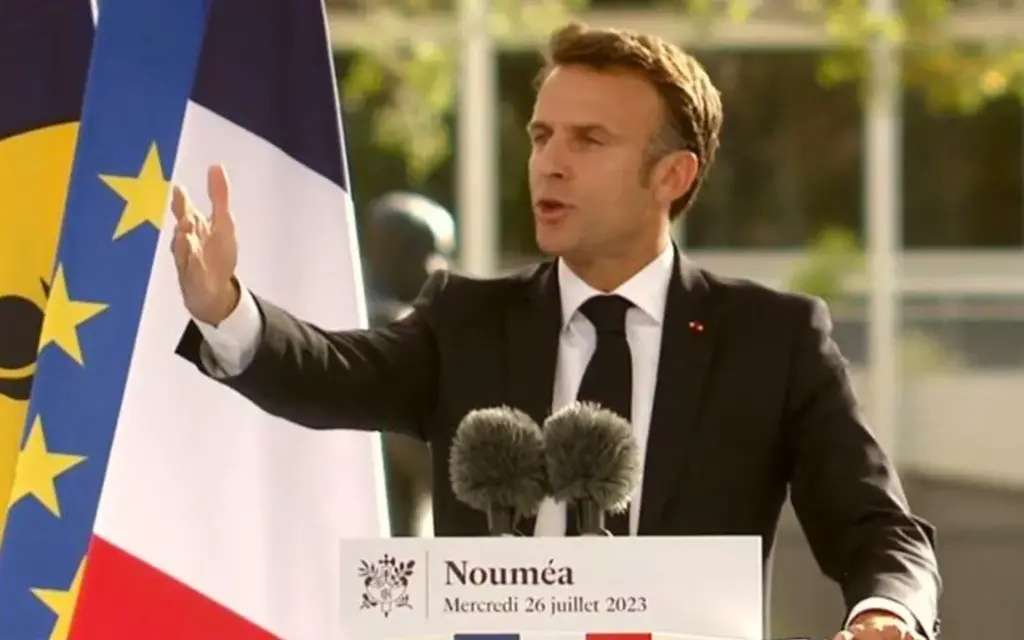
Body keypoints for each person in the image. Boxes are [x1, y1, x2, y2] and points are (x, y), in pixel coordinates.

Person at [169, 23, 941, 640]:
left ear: (673, 177)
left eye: (588, 141)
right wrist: (226, 307)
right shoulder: (466, 318)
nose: (549, 164)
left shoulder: (773, 339)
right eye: (542, 137)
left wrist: (885, 616)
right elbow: (330, 371)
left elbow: (879, 529)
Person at [362, 191, 456, 536]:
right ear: (399, 255)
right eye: (435, 254)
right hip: (390, 564)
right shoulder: (400, 336)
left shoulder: (337, 319)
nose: (443, 268)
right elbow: (434, 464)